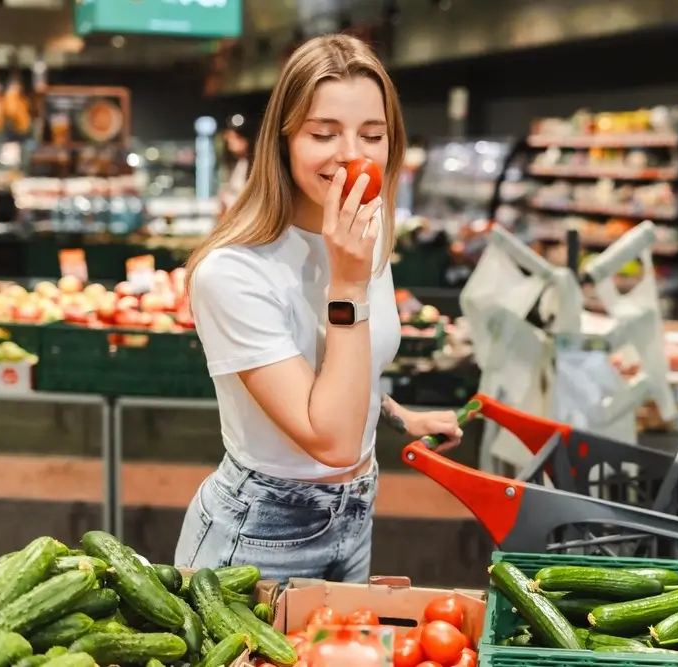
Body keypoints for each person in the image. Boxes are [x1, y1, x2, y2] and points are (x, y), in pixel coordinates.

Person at [175, 34, 463, 585]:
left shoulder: (366, 235)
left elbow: (334, 375)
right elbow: (328, 440)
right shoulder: (233, 272)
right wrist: (348, 285)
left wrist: (397, 415)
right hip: (259, 533)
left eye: (372, 135)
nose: (353, 154)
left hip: (356, 514)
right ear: (283, 141)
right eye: (323, 134)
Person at [216, 114, 254, 217]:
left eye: (236, 137)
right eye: (229, 137)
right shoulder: (236, 163)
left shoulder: (256, 166)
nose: (230, 141)